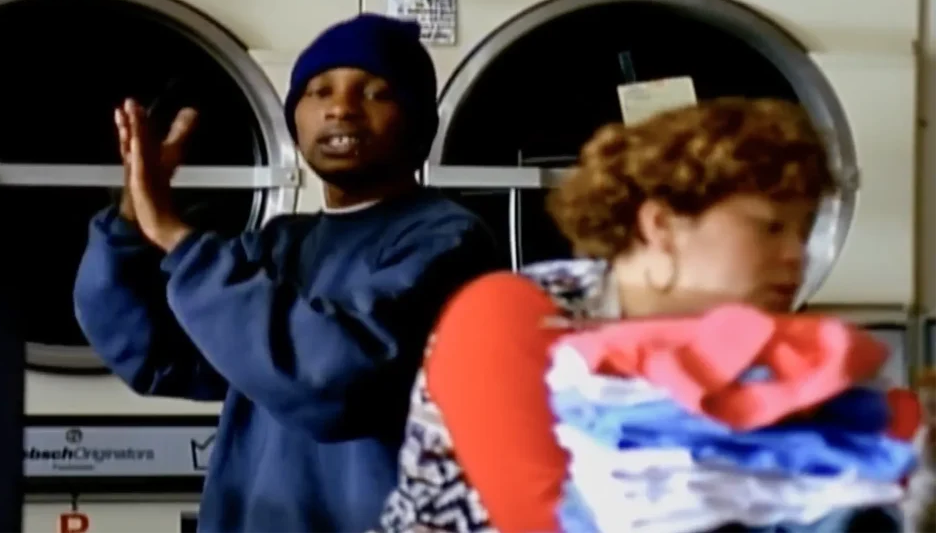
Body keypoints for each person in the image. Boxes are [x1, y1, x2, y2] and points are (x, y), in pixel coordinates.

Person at [73, 13, 502, 533]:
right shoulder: (280, 243)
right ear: (295, 120)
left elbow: (330, 380)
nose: (341, 108)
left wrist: (174, 235)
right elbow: (156, 355)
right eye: (319, 91)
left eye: (375, 93)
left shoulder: (447, 241)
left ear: (419, 126)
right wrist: (131, 216)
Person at [372, 98, 883, 533]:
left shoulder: (741, 354)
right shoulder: (513, 313)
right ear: (661, 225)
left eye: (803, 230)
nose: (798, 255)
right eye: (771, 228)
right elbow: (545, 522)